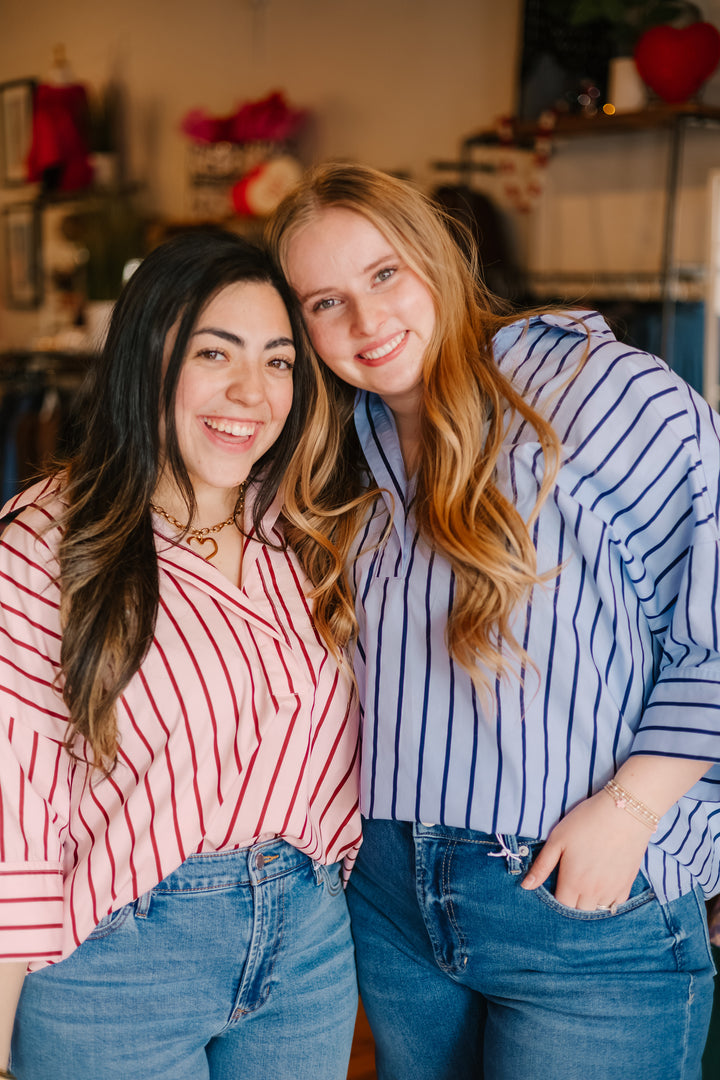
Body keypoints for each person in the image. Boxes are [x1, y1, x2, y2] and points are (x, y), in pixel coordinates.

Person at [266, 162, 720, 1080]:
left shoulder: (600, 391)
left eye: (384, 274)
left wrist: (630, 813)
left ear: (437, 256)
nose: (364, 322)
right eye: (325, 301)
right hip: (391, 899)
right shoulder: (333, 446)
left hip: (579, 896)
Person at [0, 229, 361, 1080]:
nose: (251, 392)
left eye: (279, 362)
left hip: (308, 952)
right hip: (122, 968)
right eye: (214, 352)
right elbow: (14, 820)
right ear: (145, 360)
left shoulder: (306, 529)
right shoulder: (48, 543)